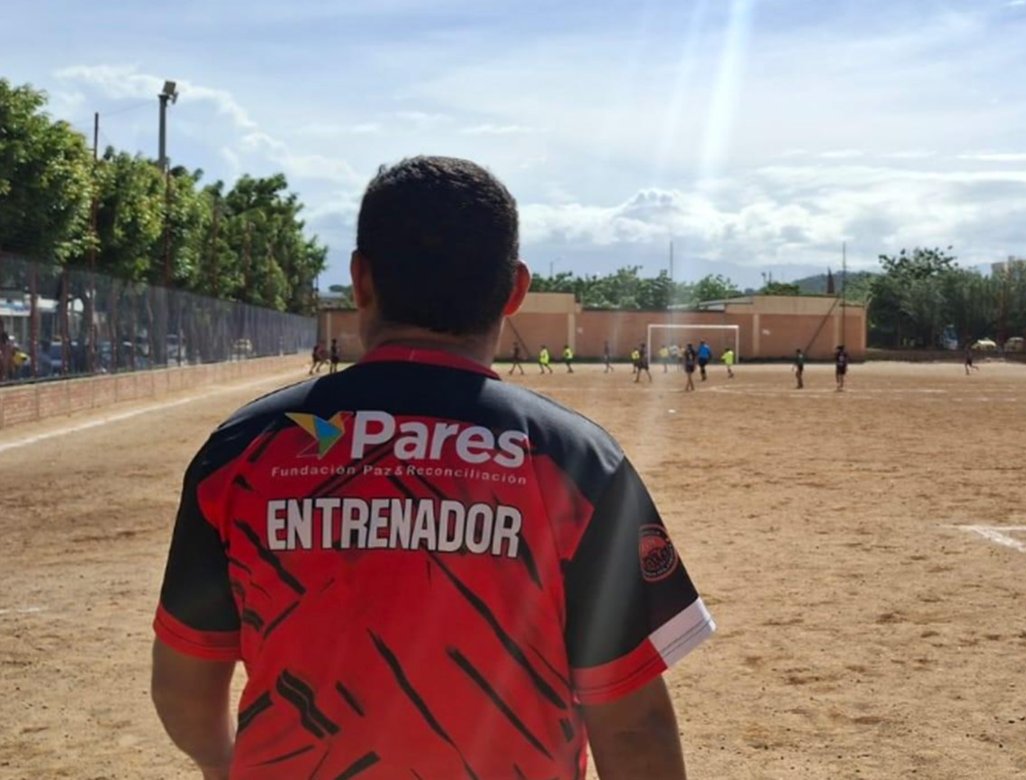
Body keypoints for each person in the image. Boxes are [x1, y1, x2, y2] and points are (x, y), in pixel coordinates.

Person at [149, 156, 711, 780]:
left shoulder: (242, 452)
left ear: (360, 280)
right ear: (515, 290)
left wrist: (223, 765)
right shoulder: (575, 463)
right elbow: (633, 726)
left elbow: (183, 688)